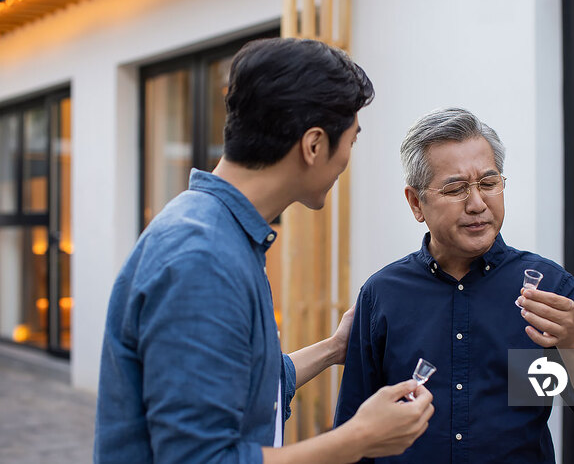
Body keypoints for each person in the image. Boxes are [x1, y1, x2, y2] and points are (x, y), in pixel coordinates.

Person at [94, 38, 434, 464]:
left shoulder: (219, 232)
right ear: (313, 146)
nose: (349, 156)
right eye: (352, 140)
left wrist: (333, 349)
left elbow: (246, 388)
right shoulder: (202, 259)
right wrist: (359, 438)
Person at [334, 108, 574, 463]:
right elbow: (351, 432)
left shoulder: (548, 286)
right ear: (416, 203)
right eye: (456, 188)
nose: (477, 204)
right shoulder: (382, 294)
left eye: (489, 184)